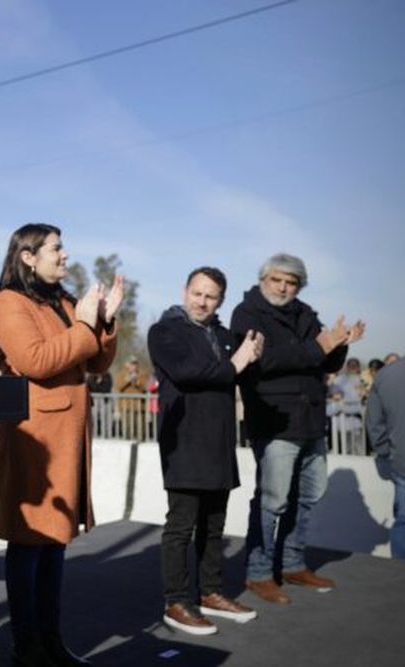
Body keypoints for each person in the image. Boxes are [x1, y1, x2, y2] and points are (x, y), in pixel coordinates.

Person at [0, 223, 121, 666]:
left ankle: (50, 641)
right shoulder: (10, 302)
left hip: (65, 437)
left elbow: (97, 360)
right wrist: (85, 324)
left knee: (55, 544)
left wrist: (105, 320)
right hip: (34, 440)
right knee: (29, 542)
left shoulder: (64, 301)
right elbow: (35, 360)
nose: (64, 256)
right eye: (56, 249)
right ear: (28, 256)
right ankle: (26, 648)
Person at [231, 252, 365, 604]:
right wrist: (316, 347)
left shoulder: (305, 313)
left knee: (309, 496)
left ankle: (291, 563)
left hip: (311, 422)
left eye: (291, 282)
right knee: (272, 501)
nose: (283, 287)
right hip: (275, 423)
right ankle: (259, 572)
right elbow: (263, 362)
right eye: (277, 279)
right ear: (264, 279)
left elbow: (324, 358)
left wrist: (340, 342)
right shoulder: (247, 314)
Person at [148, 267, 264, 635]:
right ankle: (176, 601)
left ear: (220, 301)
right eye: (197, 293)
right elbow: (187, 372)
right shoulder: (165, 331)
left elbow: (242, 375)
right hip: (183, 440)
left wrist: (252, 357)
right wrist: (235, 363)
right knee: (181, 526)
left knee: (214, 525)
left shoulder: (226, 336)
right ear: (185, 291)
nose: (202, 301)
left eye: (210, 296)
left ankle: (211, 592)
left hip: (219, 442)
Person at [366, 358, 405, 558]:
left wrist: (385, 452)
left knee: (404, 521)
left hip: (401, 460)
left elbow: (374, 422)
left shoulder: (386, 375)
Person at [329, 358, 366, 454]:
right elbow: (335, 398)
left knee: (359, 452)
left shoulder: (361, 380)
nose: (353, 368)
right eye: (351, 366)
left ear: (358, 367)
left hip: (356, 423)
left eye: (355, 366)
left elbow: (362, 400)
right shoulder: (339, 380)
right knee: (344, 452)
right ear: (347, 367)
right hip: (341, 424)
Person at [115, 356, 148, 440]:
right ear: (127, 365)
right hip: (126, 408)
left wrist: (137, 382)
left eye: (135, 364)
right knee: (127, 430)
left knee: (140, 431)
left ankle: (140, 447)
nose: (133, 366)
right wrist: (127, 380)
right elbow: (118, 387)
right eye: (131, 364)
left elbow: (146, 388)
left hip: (139, 408)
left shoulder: (142, 374)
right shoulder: (121, 374)